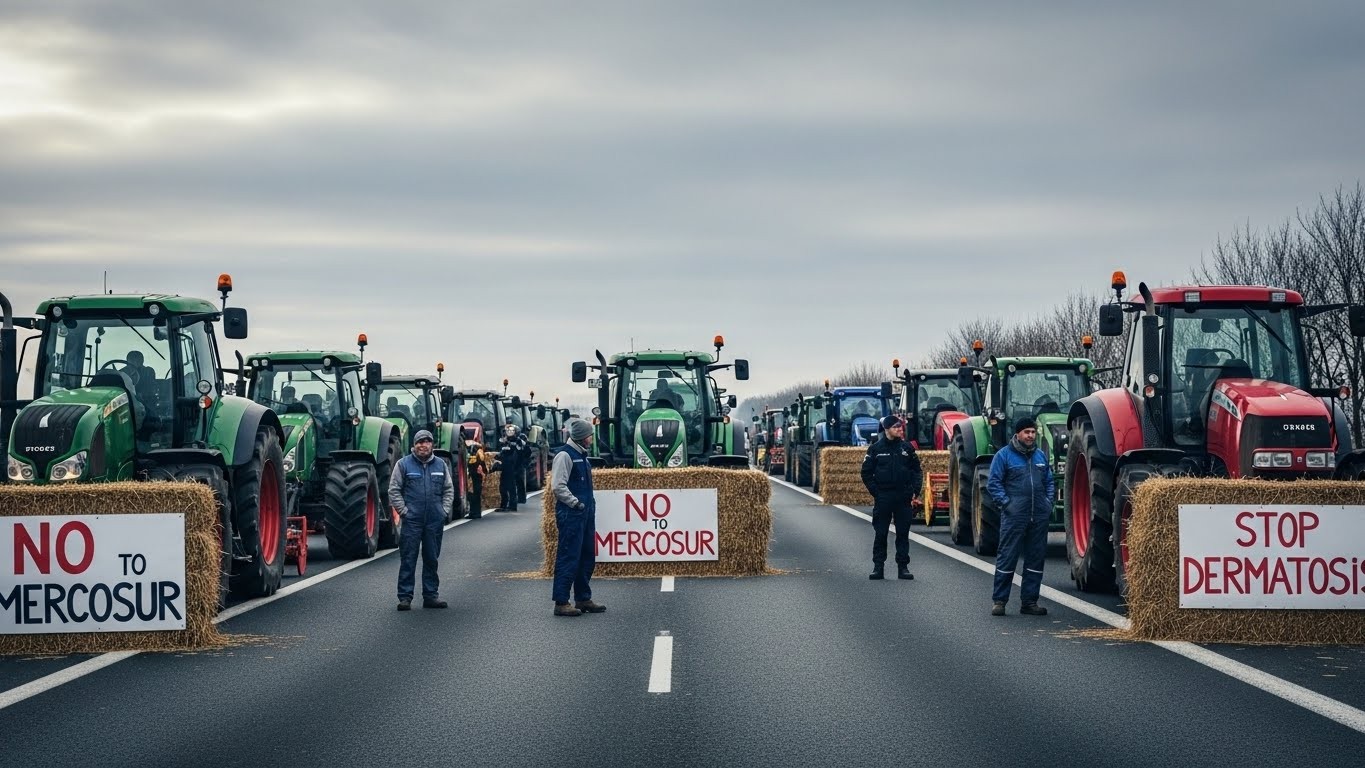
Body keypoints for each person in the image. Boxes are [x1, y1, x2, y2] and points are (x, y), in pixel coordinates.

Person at [986, 417, 1053, 616]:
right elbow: (994, 484)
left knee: (1035, 559)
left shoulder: (1040, 456)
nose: (1030, 435)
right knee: (1007, 557)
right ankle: (1000, 601)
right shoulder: (1004, 456)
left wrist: (1047, 503)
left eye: (1033, 432)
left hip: (1039, 516)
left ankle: (1029, 602)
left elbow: (1049, 482)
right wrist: (1007, 505)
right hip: (1014, 516)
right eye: (1026, 432)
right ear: (1018, 434)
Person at [389, 429, 453, 611]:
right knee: (408, 558)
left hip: (434, 520)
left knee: (431, 558)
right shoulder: (403, 465)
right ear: (414, 445)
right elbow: (393, 490)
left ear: (432, 444)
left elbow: (449, 489)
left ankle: (431, 595)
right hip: (412, 520)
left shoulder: (441, 465)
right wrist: (404, 511)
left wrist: (444, 510)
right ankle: (405, 597)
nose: (422, 445)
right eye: (419, 442)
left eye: (426, 442)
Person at [550, 418, 604, 616]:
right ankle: (561, 601)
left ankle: (583, 598)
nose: (591, 438)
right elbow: (558, 486)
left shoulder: (582, 455)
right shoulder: (565, 455)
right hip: (572, 514)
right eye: (590, 435)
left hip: (585, 514)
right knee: (569, 556)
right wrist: (575, 503)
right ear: (582, 436)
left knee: (587, 555)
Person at [860, 415, 923, 581]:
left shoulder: (907, 448)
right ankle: (878, 567)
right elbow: (866, 473)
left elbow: (917, 470)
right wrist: (876, 492)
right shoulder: (876, 449)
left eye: (901, 427)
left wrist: (915, 491)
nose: (900, 430)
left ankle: (903, 567)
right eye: (896, 427)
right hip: (884, 497)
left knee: (902, 534)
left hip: (903, 496)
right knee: (881, 533)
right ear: (887, 429)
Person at [497, 423, 523, 511]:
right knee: (502, 486)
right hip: (504, 465)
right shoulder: (503, 440)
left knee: (511, 486)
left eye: (510, 431)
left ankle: (513, 505)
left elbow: (519, 451)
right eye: (507, 431)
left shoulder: (518, 440)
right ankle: (503, 504)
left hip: (513, 465)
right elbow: (501, 451)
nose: (508, 432)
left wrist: (510, 444)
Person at [464, 428, 489, 518]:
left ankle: (476, 512)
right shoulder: (472, 447)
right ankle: (474, 512)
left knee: (475, 493)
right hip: (472, 474)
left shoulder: (476, 448)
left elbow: (481, 460)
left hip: (475, 474)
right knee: (473, 494)